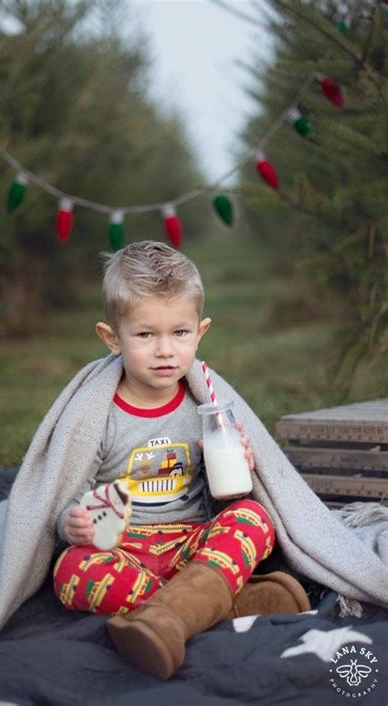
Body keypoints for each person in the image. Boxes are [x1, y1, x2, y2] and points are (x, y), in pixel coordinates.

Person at [52, 240, 310, 680]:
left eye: (180, 333)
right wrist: (71, 522)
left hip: (191, 543)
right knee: (71, 571)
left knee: (252, 517)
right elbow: (62, 490)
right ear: (111, 338)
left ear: (201, 331)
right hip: (123, 546)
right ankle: (224, 605)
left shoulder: (205, 404)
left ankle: (166, 618)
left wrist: (238, 468)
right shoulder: (97, 413)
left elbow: (227, 496)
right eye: (146, 334)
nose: (166, 350)